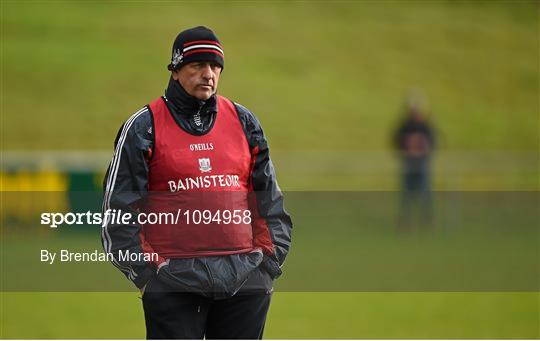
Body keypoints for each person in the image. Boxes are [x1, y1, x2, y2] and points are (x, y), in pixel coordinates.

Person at [101, 26, 292, 339]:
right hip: (173, 283)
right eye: (198, 65)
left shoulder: (244, 122)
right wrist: (149, 276)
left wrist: (266, 267)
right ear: (176, 70)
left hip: (246, 282)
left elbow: (269, 202)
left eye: (215, 66)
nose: (209, 74)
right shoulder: (144, 126)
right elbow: (119, 213)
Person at [393, 97, 436, 229]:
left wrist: (423, 151)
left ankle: (427, 221)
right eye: (412, 109)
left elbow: (432, 143)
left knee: (425, 193)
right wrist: (406, 150)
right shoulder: (405, 126)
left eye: (416, 109)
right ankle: (405, 221)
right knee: (407, 194)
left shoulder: (425, 126)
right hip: (409, 164)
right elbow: (397, 141)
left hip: (422, 164)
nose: (414, 112)